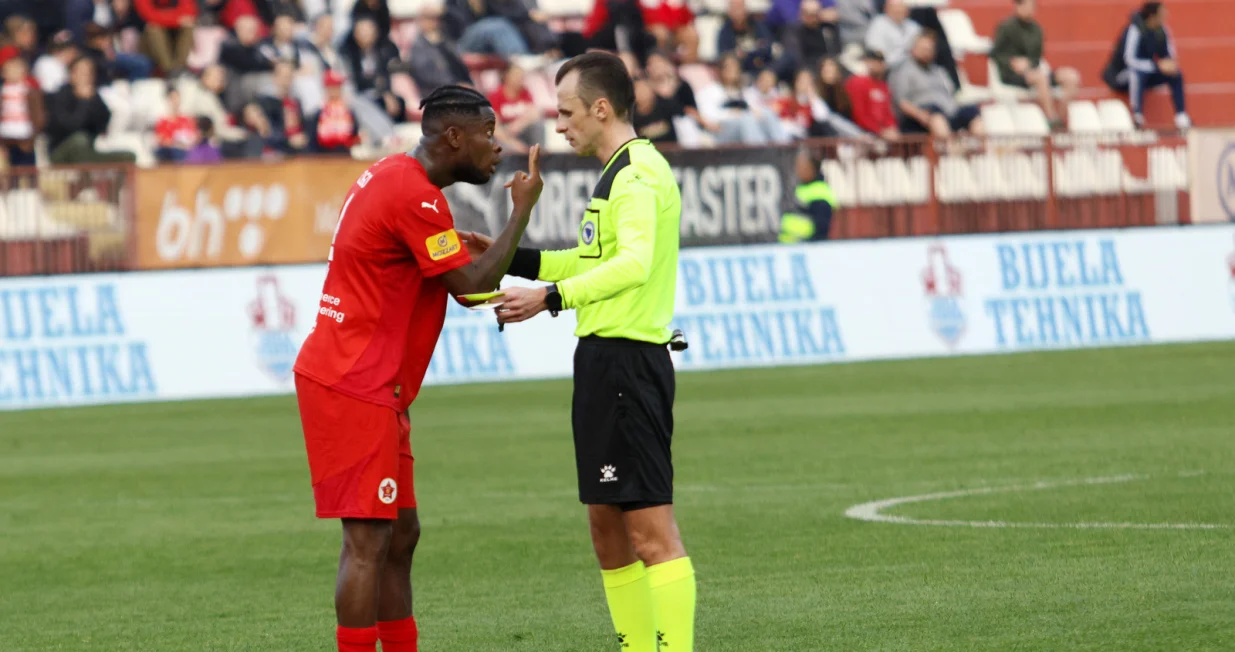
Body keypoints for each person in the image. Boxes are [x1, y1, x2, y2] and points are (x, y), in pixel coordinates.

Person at [292, 84, 543, 652]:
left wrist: (471, 249)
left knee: (400, 535)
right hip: (353, 382)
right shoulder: (414, 194)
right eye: (487, 134)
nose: (497, 147)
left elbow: (446, 271)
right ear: (454, 136)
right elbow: (470, 288)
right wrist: (520, 213)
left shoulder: (395, 177)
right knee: (367, 542)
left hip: (372, 383)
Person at [493, 51, 696, 652]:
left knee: (650, 532)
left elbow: (631, 265)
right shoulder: (616, 173)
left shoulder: (636, 175)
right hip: (604, 363)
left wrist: (550, 298)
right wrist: (510, 259)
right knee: (606, 530)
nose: (559, 125)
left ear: (601, 109)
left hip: (629, 365)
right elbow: (590, 261)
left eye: (567, 112)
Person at [990, 0, 1079, 126]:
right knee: (1040, 78)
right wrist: (1012, 63)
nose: (1029, 8)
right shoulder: (1006, 27)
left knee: (1071, 76)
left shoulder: (1037, 29)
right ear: (1017, 6)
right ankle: (1051, 118)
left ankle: (1062, 117)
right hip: (1012, 75)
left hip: (1033, 71)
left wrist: (1029, 63)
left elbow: (1037, 58)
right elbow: (996, 54)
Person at [1101, 1, 1189, 129]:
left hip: (1147, 72)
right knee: (1137, 73)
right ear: (1153, 16)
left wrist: (1170, 64)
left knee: (1176, 74)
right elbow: (1130, 60)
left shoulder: (1162, 31)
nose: (1166, 16)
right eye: (1162, 14)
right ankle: (1137, 116)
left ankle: (1181, 115)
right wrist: (1157, 66)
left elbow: (1169, 55)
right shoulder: (1134, 29)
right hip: (1121, 75)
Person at [890, 32, 984, 139]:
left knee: (973, 113)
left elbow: (952, 95)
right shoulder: (904, 71)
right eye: (923, 49)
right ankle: (949, 154)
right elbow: (901, 101)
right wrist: (920, 115)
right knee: (937, 118)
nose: (926, 53)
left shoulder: (939, 71)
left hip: (948, 112)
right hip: (921, 117)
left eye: (929, 50)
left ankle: (983, 153)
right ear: (913, 49)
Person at [780, 147, 836, 243]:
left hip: (806, 248)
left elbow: (821, 227)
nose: (798, 170)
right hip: (788, 247)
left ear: (812, 167)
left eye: (801, 166)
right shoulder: (800, 187)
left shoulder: (819, 192)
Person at [845, 48, 897, 139]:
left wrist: (892, 127)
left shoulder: (883, 85)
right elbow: (859, 113)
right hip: (860, 132)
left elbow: (887, 111)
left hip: (881, 132)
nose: (875, 65)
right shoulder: (857, 82)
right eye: (872, 61)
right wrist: (880, 131)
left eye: (879, 62)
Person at [864, 0, 920, 68]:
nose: (899, 12)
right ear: (887, 9)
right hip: (887, 67)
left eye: (902, 10)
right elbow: (876, 51)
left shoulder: (913, 27)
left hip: (911, 66)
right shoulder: (878, 23)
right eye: (896, 10)